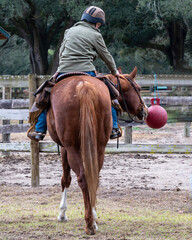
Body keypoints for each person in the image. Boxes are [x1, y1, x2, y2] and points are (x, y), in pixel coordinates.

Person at [29, 6, 121, 141]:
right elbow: (105, 55)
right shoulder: (96, 34)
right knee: (109, 95)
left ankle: (39, 129)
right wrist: (114, 72)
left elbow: (61, 52)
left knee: (46, 95)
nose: (99, 27)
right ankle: (113, 128)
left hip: (64, 70)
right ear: (96, 23)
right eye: (99, 24)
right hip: (86, 70)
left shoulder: (69, 31)